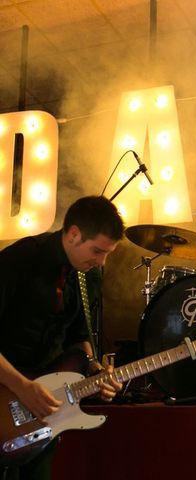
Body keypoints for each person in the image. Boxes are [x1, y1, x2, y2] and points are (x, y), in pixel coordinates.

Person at [0, 195, 125, 479]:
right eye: (97, 251)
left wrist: (95, 370)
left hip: (46, 410)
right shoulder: (19, 260)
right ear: (73, 234)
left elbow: (78, 335)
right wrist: (22, 386)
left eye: (107, 254)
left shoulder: (84, 276)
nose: (101, 262)